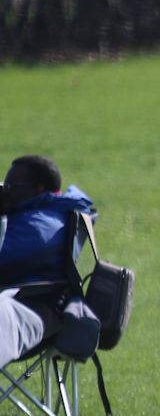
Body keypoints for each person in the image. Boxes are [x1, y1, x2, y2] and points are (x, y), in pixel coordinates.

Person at [1, 155, 96, 363]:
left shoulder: (41, 224)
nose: (5, 192)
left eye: (11, 186)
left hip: (32, 308)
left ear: (39, 189)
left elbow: (5, 256)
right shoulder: (52, 212)